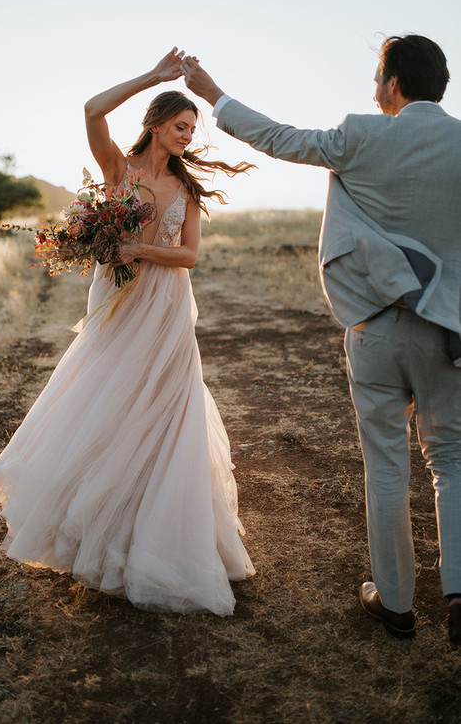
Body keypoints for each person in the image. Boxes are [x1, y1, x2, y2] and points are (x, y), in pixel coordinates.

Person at [181, 35, 461, 643]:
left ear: (391, 85)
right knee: (453, 463)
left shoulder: (361, 135)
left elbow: (281, 139)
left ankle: (394, 602)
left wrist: (215, 96)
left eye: (375, 78)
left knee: (387, 466)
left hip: (377, 328)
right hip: (451, 332)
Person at [0, 48, 255, 616]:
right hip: (117, 297)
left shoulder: (187, 191)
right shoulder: (118, 171)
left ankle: (159, 535)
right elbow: (90, 109)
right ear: (155, 124)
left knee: (166, 404)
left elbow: (189, 257)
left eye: (191, 130)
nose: (185, 136)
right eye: (179, 126)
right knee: (109, 397)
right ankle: (98, 529)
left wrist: (142, 247)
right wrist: (154, 75)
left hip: (167, 304)